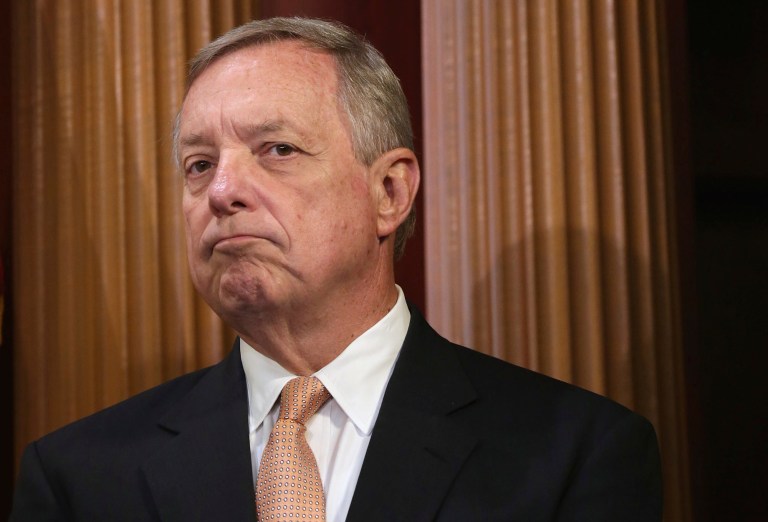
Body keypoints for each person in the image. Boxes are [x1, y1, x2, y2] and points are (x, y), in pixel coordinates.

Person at [10, 17, 662, 521]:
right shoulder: (80, 476)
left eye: (277, 149)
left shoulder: (574, 454)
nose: (221, 192)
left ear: (389, 194)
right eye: (199, 164)